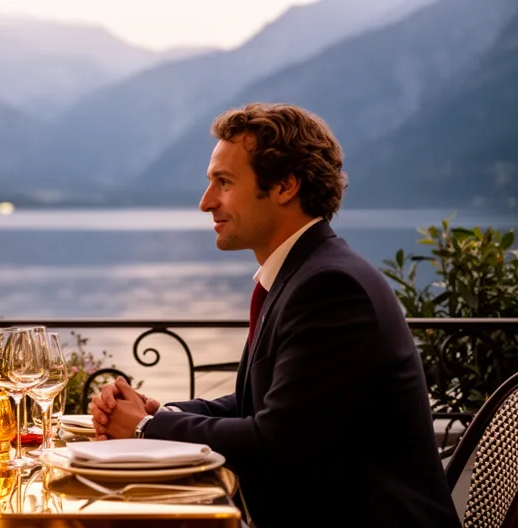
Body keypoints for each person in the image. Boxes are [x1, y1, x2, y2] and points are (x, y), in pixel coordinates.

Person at [90, 103, 460, 527]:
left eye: (224, 183)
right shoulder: (305, 273)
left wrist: (144, 431)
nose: (205, 202)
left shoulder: (332, 288)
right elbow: (262, 403)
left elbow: (278, 441)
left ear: (285, 185)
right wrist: (161, 414)